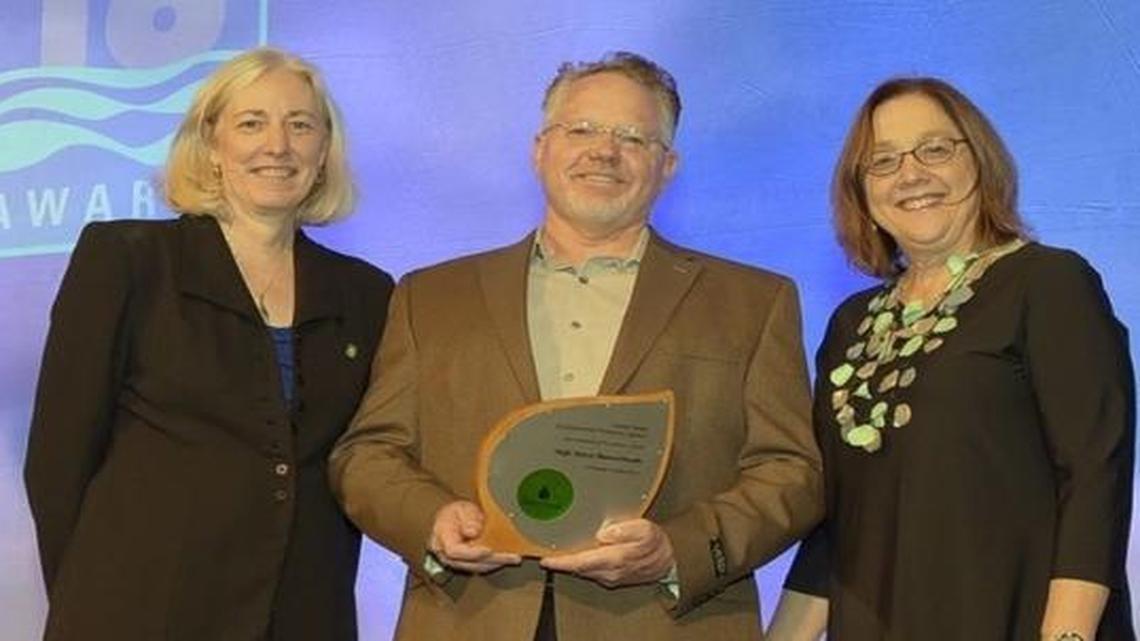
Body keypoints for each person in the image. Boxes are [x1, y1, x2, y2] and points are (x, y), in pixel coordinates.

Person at [329, 51, 823, 641]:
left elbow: (791, 471)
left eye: (632, 137)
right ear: (541, 149)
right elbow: (368, 454)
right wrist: (432, 521)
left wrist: (677, 550)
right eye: (582, 129)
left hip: (665, 625)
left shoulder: (752, 300)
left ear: (667, 165)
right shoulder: (430, 296)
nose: (604, 152)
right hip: (470, 619)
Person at [24, 47, 393, 641]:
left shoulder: (367, 294)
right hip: (139, 610)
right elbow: (58, 459)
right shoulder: (127, 260)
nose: (278, 145)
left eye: (300, 125)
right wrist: (86, 597)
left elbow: (371, 454)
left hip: (302, 612)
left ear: (324, 152)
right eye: (252, 123)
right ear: (212, 145)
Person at [767, 77, 1135, 640]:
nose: (912, 174)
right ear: (860, 192)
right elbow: (839, 522)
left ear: (980, 162)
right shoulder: (851, 323)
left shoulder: (1048, 282)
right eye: (883, 161)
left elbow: (1094, 478)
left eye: (935, 149)